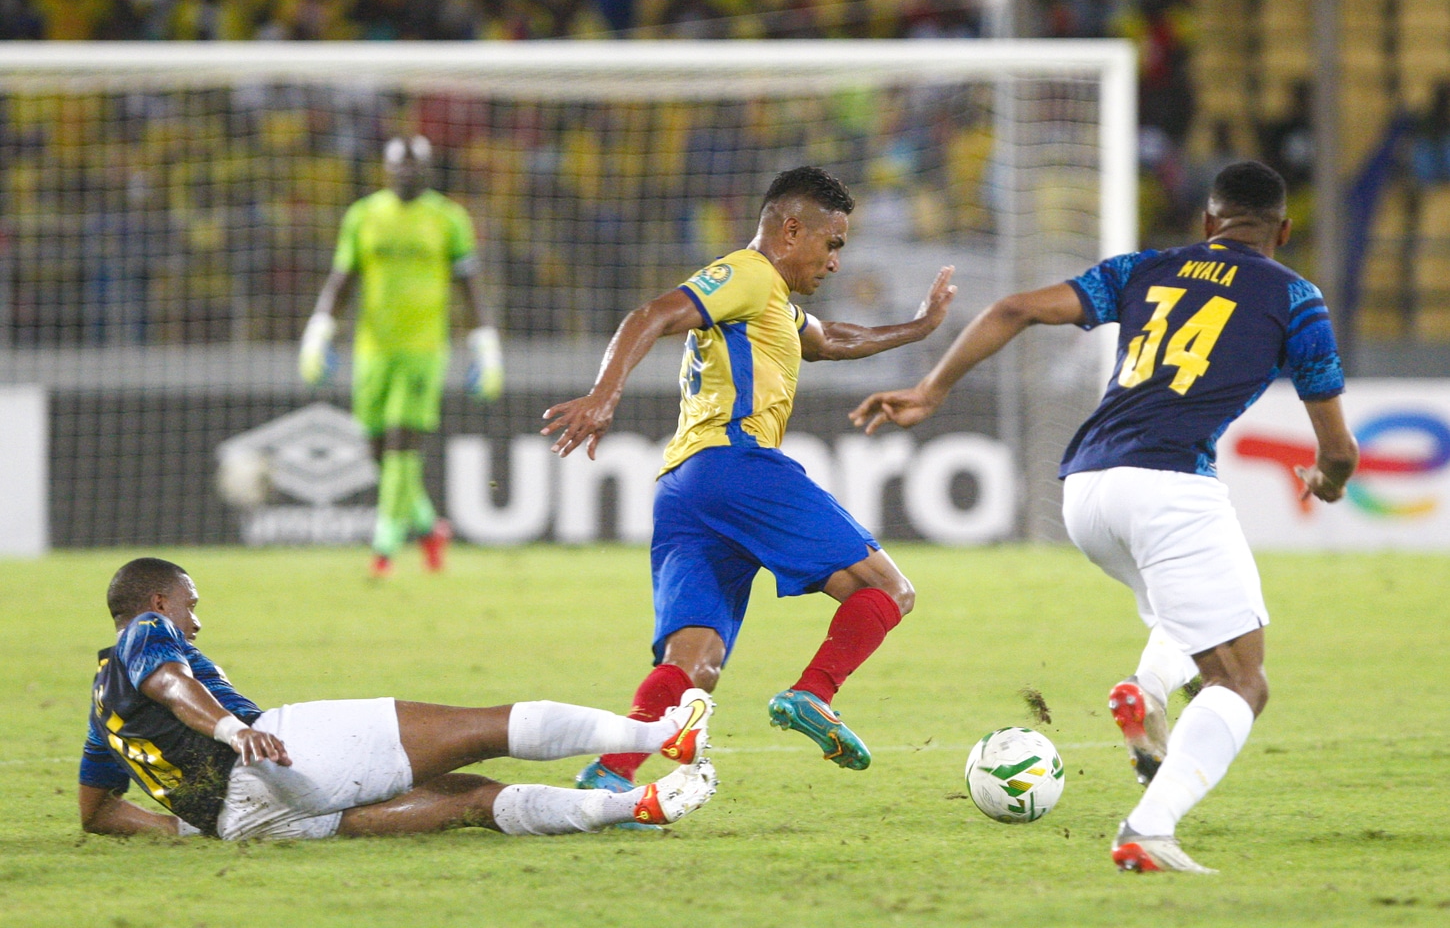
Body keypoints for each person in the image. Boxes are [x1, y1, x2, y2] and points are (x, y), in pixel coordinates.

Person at [851, 161, 1359, 873]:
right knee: (1242, 680)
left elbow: (1014, 309)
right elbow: (1338, 449)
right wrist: (1327, 481)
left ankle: (1147, 691)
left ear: (1208, 222)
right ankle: (1149, 828)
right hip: (1170, 487)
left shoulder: (1144, 268)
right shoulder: (1295, 298)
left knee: (1190, 618)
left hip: (1086, 489)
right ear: (1284, 230)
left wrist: (931, 390)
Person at [541, 166, 956, 799]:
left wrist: (919, 328)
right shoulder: (748, 274)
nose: (835, 262)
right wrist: (604, 395)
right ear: (791, 231)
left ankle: (609, 774)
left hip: (684, 486)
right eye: (832, 244)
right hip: (735, 464)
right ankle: (813, 694)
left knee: (695, 662)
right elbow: (651, 314)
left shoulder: (774, 304)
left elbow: (832, 339)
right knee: (888, 590)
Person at [79, 558, 717, 840]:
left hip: (247, 825)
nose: (195, 623)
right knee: (481, 728)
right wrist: (233, 731)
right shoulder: (147, 631)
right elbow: (172, 682)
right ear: (158, 602)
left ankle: (637, 805)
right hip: (275, 757)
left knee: (470, 802)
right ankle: (662, 735)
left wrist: (184, 825)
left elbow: (97, 813)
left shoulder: (100, 705)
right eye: (190, 605)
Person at [299, 134, 504, 578]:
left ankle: (384, 545)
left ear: (428, 170)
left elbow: (469, 287)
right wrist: (318, 332)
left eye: (415, 166)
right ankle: (429, 529)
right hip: (372, 349)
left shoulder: (448, 218)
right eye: (399, 166)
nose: (406, 173)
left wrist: (486, 347)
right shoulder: (364, 216)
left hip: (424, 349)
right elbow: (342, 278)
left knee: (400, 442)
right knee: (378, 449)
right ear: (387, 169)